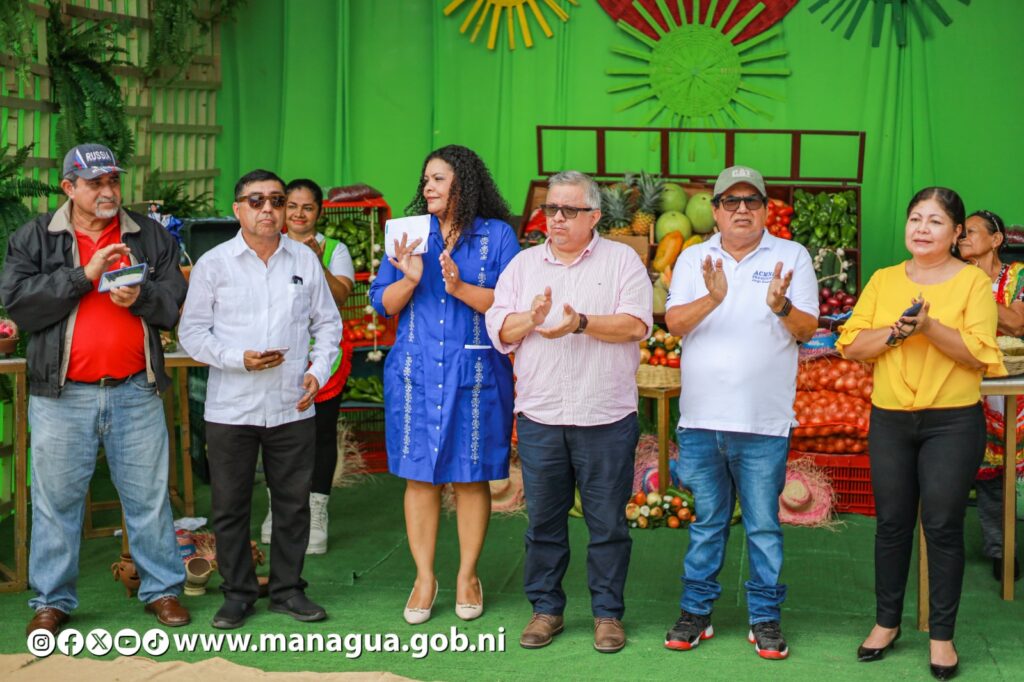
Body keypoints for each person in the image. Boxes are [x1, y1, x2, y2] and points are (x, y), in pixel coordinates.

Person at [0, 143, 189, 635]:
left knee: (148, 498)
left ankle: (163, 590)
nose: (108, 190)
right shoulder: (35, 238)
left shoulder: (148, 235)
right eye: (95, 183)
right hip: (61, 395)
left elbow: (173, 304)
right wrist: (85, 276)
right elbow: (20, 305)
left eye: (113, 181)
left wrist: (140, 295)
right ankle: (52, 600)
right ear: (69, 188)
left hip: (135, 389)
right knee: (56, 501)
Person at [837, 187, 1005, 680]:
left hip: (951, 421)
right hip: (889, 417)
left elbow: (979, 354)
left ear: (956, 234)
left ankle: (942, 637)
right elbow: (851, 345)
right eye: (915, 219)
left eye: (935, 221)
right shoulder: (884, 280)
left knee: (942, 525)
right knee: (890, 524)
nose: (922, 229)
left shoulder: (973, 283)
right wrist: (896, 331)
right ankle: (886, 623)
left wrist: (929, 326)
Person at [486, 170, 652, 654]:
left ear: (594, 216)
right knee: (543, 523)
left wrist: (579, 322)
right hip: (541, 415)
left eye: (569, 210)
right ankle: (546, 610)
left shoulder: (622, 260)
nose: (556, 218)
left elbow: (635, 325)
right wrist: (530, 320)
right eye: (551, 209)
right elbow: (500, 327)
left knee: (607, 524)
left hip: (605, 416)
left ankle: (607, 615)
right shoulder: (522, 266)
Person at [662, 165, 817, 660]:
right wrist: (713, 297)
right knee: (706, 522)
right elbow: (674, 323)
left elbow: (808, 329)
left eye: (752, 201)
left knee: (764, 526)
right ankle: (696, 612)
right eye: (732, 202)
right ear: (716, 210)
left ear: (766, 210)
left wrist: (780, 306)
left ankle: (765, 619)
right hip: (702, 421)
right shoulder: (692, 259)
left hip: (763, 423)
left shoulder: (791, 256)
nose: (742, 209)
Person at [178, 169, 341, 629]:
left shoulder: (305, 260)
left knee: (292, 504)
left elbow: (328, 325)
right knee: (230, 505)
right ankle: (238, 594)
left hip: (292, 402)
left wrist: (316, 371)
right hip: (231, 406)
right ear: (238, 210)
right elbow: (191, 334)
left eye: (276, 200)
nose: (268, 209)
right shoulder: (214, 264)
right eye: (256, 201)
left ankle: (288, 590)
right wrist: (238, 359)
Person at [368, 145, 519, 624]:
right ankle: (424, 577)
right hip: (414, 372)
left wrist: (457, 288)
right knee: (420, 474)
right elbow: (383, 304)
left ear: (464, 183)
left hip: (475, 371)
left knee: (471, 475)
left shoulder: (497, 236)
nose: (427, 187)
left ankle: (467, 575)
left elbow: (508, 302)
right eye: (426, 178)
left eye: (438, 178)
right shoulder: (406, 234)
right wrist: (411, 279)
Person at [260, 178, 355, 555]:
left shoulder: (335, 248)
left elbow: (342, 297)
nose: (298, 214)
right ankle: (278, 508)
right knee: (275, 433)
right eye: (292, 206)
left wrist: (314, 259)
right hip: (278, 357)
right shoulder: (268, 245)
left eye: (307, 207)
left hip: (323, 357)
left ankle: (316, 512)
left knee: (320, 433)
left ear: (319, 212)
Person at [954, 209, 1023, 582]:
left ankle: (1004, 552)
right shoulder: (952, 275)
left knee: (1001, 470)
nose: (963, 238)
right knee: (962, 467)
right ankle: (952, 553)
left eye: (972, 232)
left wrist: (978, 291)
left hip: (1005, 386)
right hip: (961, 377)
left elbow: (1016, 321)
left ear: (996, 240)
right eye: (961, 233)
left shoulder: (1017, 277)